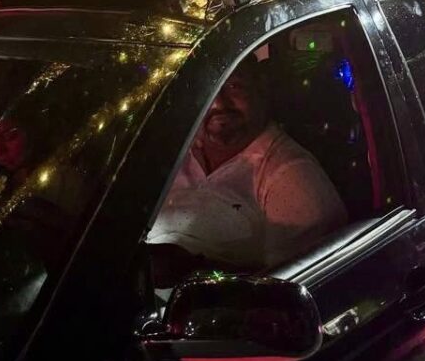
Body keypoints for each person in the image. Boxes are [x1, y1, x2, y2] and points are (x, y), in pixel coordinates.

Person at [147, 56, 347, 285]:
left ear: (260, 91)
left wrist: (193, 269)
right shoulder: (172, 151)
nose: (218, 103)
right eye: (207, 87)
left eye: (234, 86)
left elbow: (283, 291)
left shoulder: (291, 176)